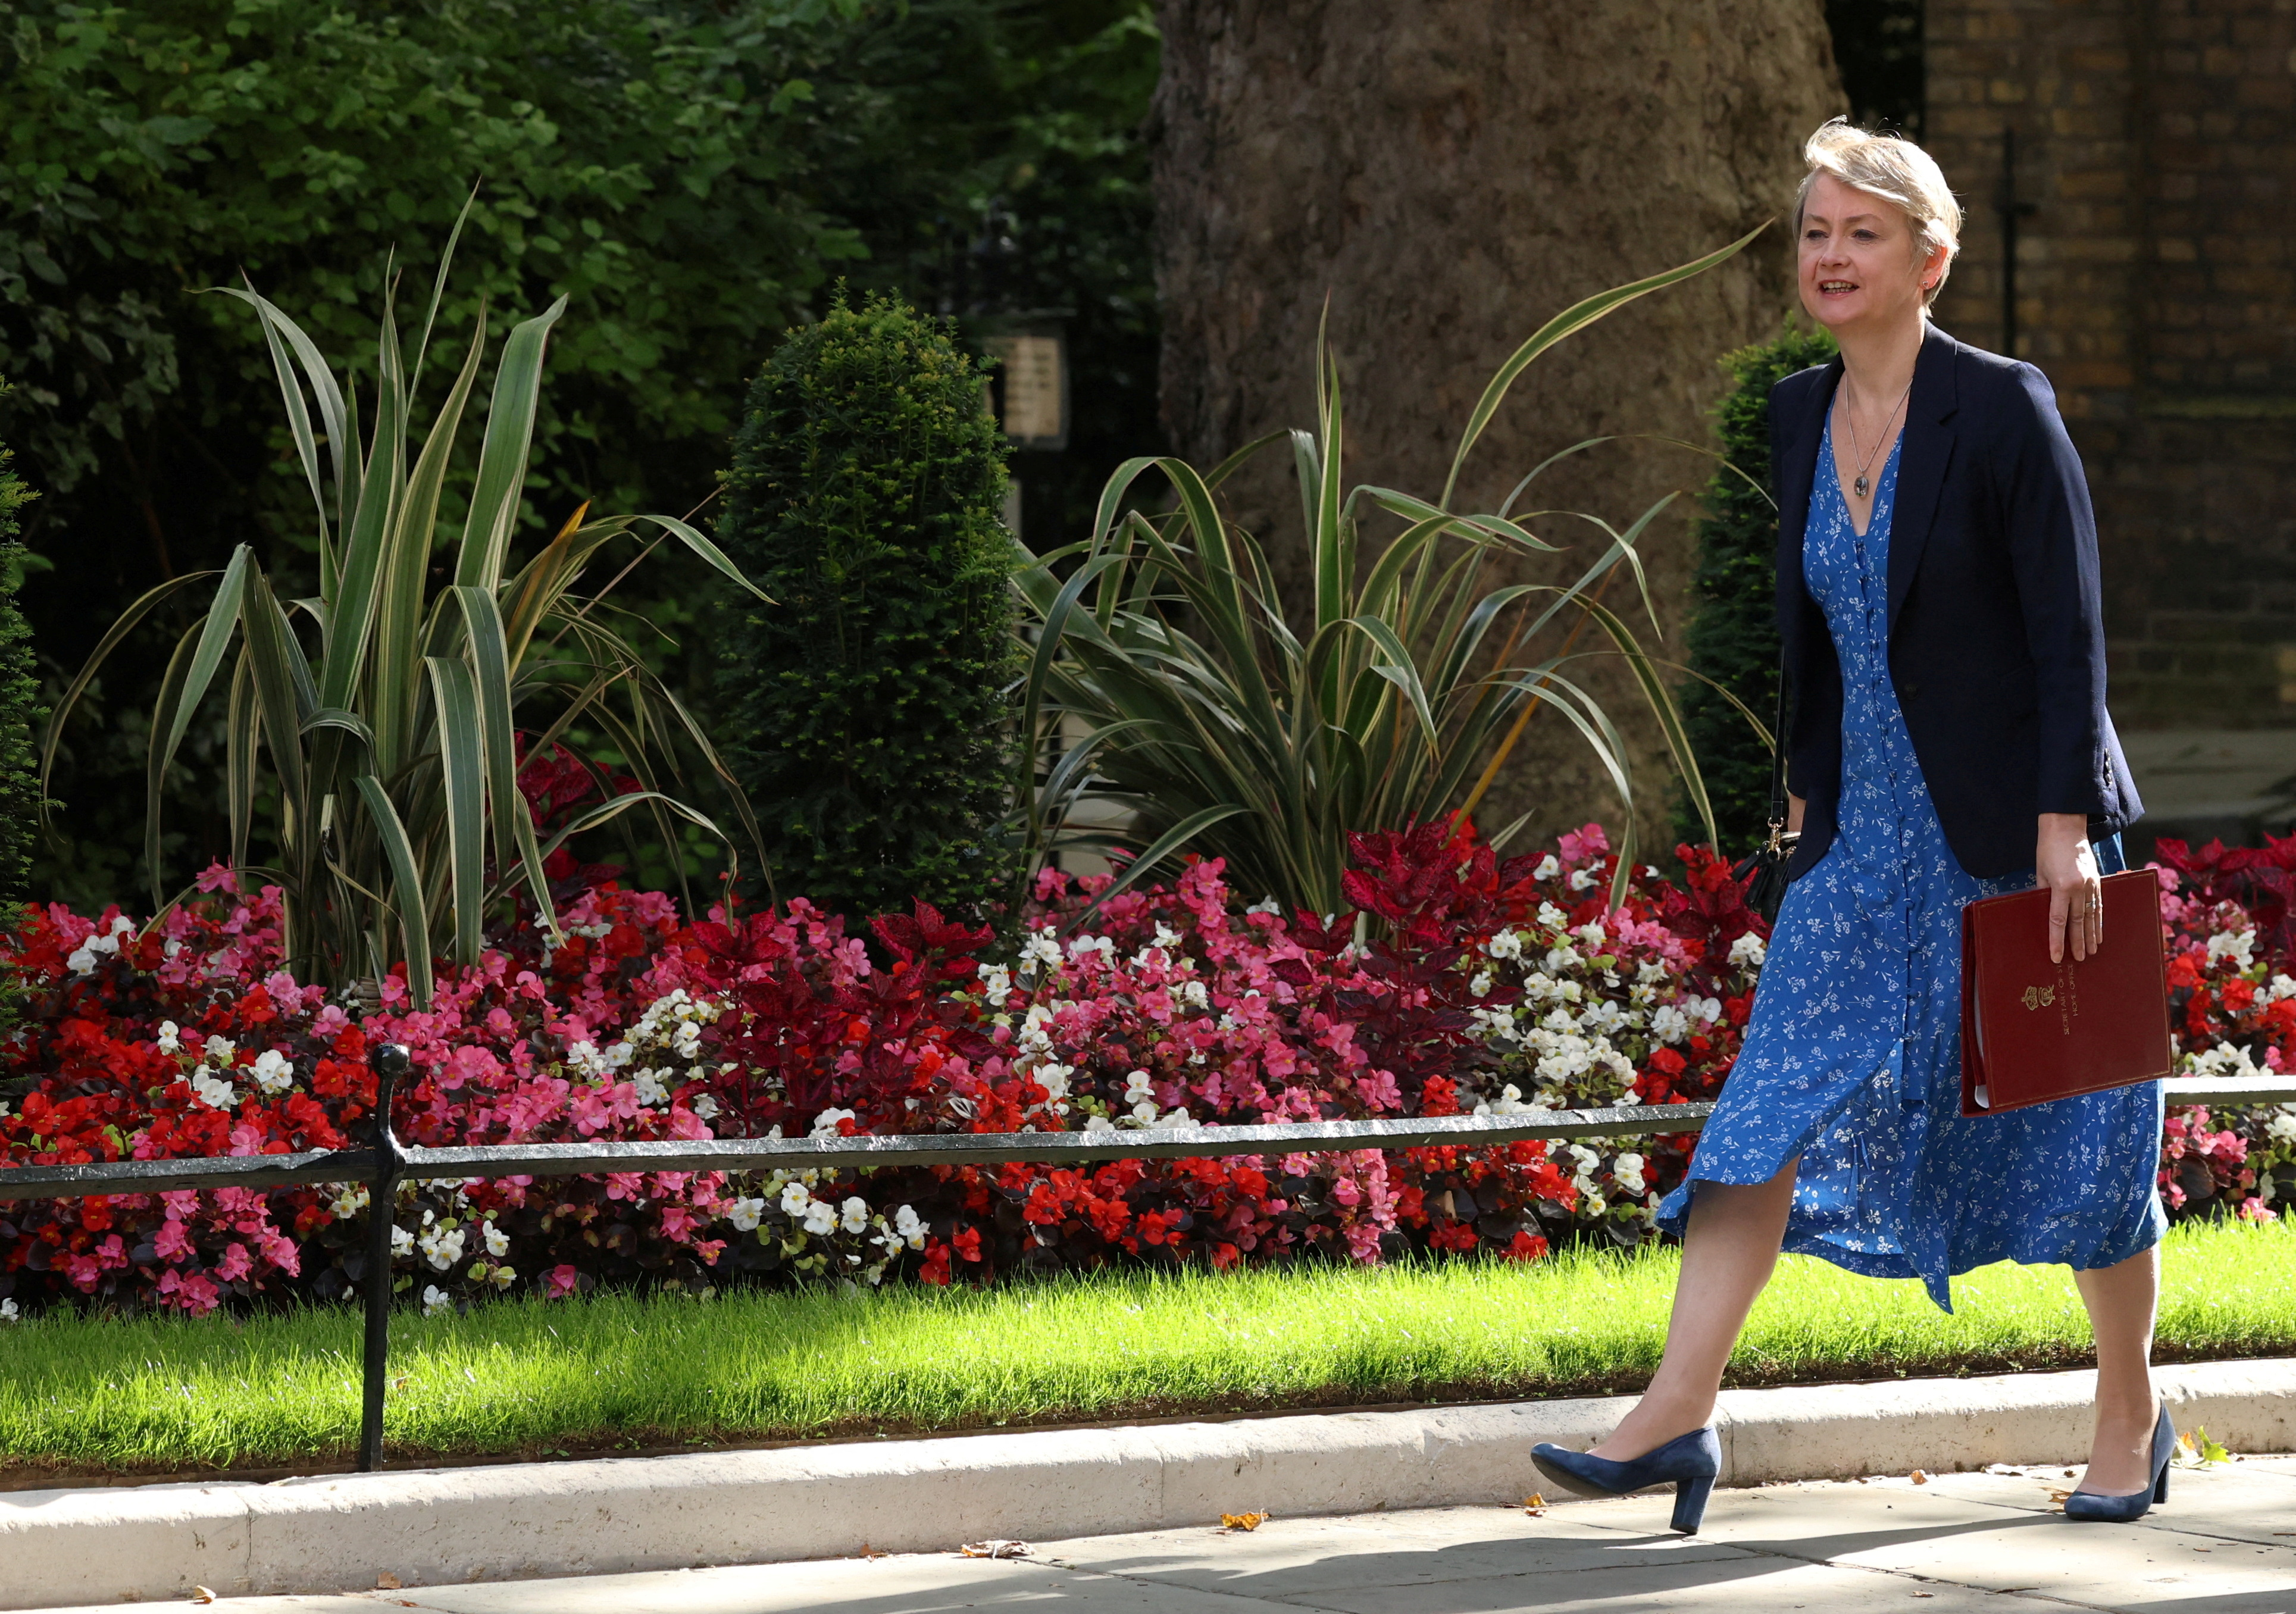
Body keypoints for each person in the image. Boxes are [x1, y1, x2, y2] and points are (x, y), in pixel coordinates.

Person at [1531, 120, 2172, 1534]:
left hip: (2016, 835)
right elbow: (1805, 630)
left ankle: (2129, 1406)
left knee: (2081, 1138)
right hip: (1861, 846)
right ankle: (1675, 1414)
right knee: (1757, 1117)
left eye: (1861, 233)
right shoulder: (1793, 413)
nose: (1828, 254)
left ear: (1931, 260)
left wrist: (2068, 826)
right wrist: (1805, 795)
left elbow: (2070, 635)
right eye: (1815, 230)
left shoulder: (2004, 408)